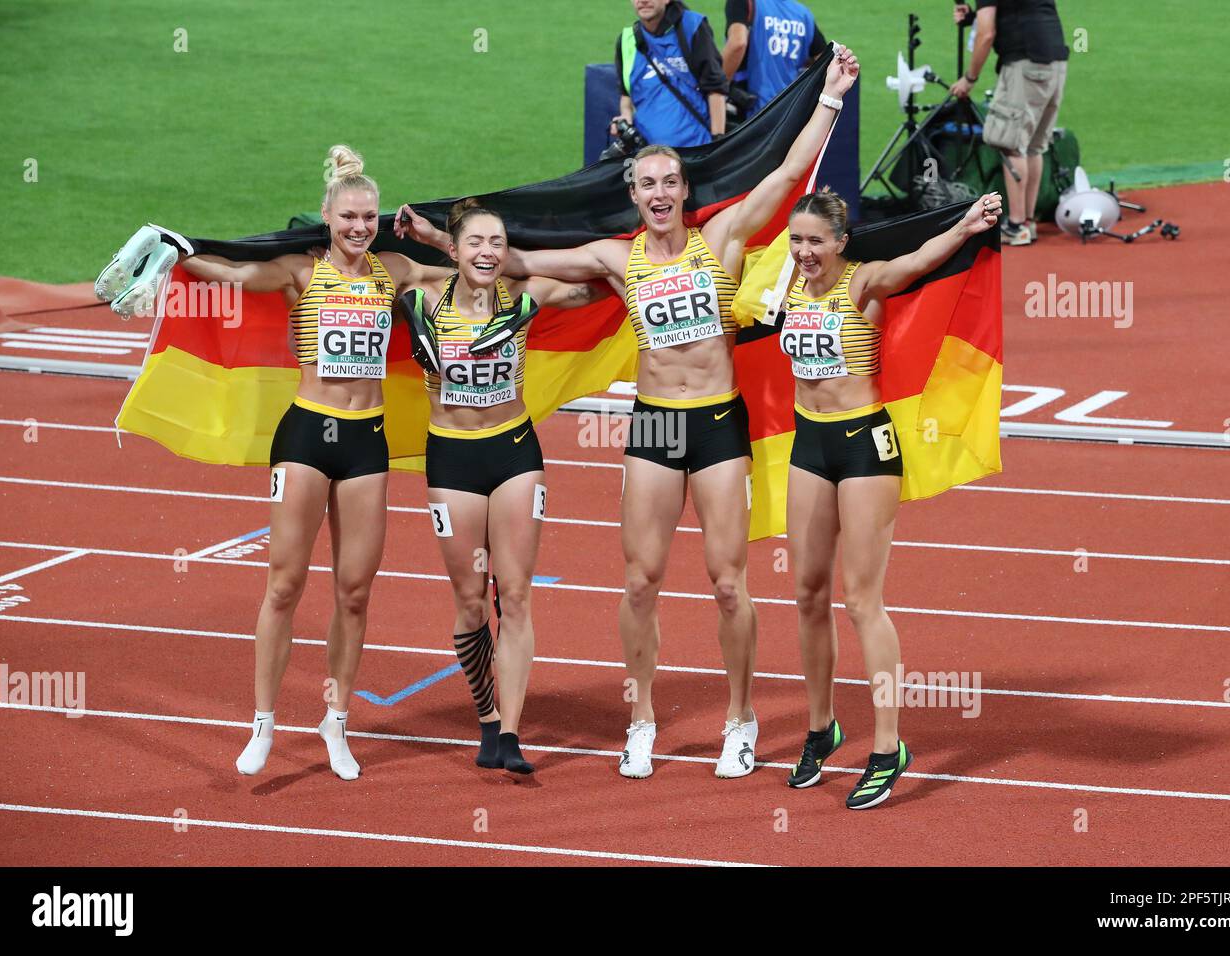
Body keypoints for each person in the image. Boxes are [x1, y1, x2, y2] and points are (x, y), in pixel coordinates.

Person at [408, 46, 860, 780]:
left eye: (669, 182)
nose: (658, 192)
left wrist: (832, 96)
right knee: (640, 581)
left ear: (684, 191)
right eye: (646, 183)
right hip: (653, 424)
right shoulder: (617, 260)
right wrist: (439, 242)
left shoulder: (722, 241)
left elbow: (783, 176)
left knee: (726, 582)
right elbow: (518, 262)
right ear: (634, 193)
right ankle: (642, 718)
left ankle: (740, 720)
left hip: (716, 423)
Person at [99, 145, 456, 780]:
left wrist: (433, 235)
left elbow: (474, 274)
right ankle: (262, 723)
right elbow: (232, 275)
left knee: (353, 592)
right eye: (347, 216)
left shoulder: (396, 270)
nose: (357, 227)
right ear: (327, 215)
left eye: (368, 217)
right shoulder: (301, 270)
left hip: (366, 440)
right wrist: (182, 249)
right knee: (285, 585)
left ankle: (335, 721)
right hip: (306, 436)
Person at [777, 186, 1002, 808]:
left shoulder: (864, 282)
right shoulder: (787, 282)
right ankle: (821, 729)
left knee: (862, 601)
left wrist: (965, 225)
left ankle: (887, 747)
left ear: (840, 243)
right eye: (796, 241)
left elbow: (921, 260)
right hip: (808, 443)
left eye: (815, 241)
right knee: (806, 593)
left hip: (863, 445)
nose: (804, 251)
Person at [393, 199, 602, 775]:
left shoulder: (524, 296)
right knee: (469, 600)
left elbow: (594, 283)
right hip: (452, 461)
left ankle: (510, 733)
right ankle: (486, 717)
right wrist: (436, 239)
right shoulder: (422, 297)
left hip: (514, 452)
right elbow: (359, 263)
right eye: (475, 243)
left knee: (514, 593)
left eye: (497, 244)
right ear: (454, 251)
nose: (488, 253)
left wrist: (463, 246)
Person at [951, 0, 1068, 245]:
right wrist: (973, 17)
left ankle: (1016, 226)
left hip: (1025, 65)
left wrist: (969, 78)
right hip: (1055, 62)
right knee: (1034, 145)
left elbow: (986, 34)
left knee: (1011, 145)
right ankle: (1027, 222)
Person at [612, 0, 728, 148]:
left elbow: (715, 88)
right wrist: (625, 119)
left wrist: (717, 142)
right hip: (647, 155)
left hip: (695, 149)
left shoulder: (692, 26)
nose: (643, 1)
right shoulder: (626, 40)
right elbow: (626, 95)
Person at [722, 0, 828, 114]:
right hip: (789, 112)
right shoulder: (803, 14)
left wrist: (715, 88)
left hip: (752, 115)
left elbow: (737, 44)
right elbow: (826, 62)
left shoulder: (744, 2)